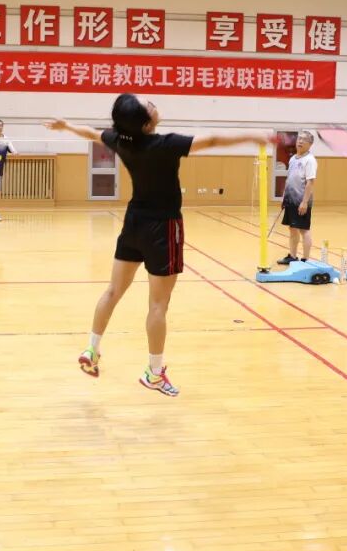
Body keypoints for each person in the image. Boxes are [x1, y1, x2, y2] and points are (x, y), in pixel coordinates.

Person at [45, 93, 273, 397]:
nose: (152, 104)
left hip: (133, 224)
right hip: (164, 228)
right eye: (148, 105)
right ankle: (153, 374)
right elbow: (213, 140)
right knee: (158, 305)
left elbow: (90, 133)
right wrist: (254, 136)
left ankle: (92, 348)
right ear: (146, 122)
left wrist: (66, 126)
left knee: (112, 292)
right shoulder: (166, 144)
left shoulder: (120, 140)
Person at [276, 130, 317, 264]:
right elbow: (289, 179)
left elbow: (310, 182)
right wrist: (284, 198)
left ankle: (305, 259)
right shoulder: (293, 158)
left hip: (301, 201)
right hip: (290, 200)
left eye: (304, 140)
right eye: (299, 139)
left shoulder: (310, 160)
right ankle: (292, 256)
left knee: (304, 230)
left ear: (310, 144)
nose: (300, 141)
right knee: (292, 228)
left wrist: (304, 202)